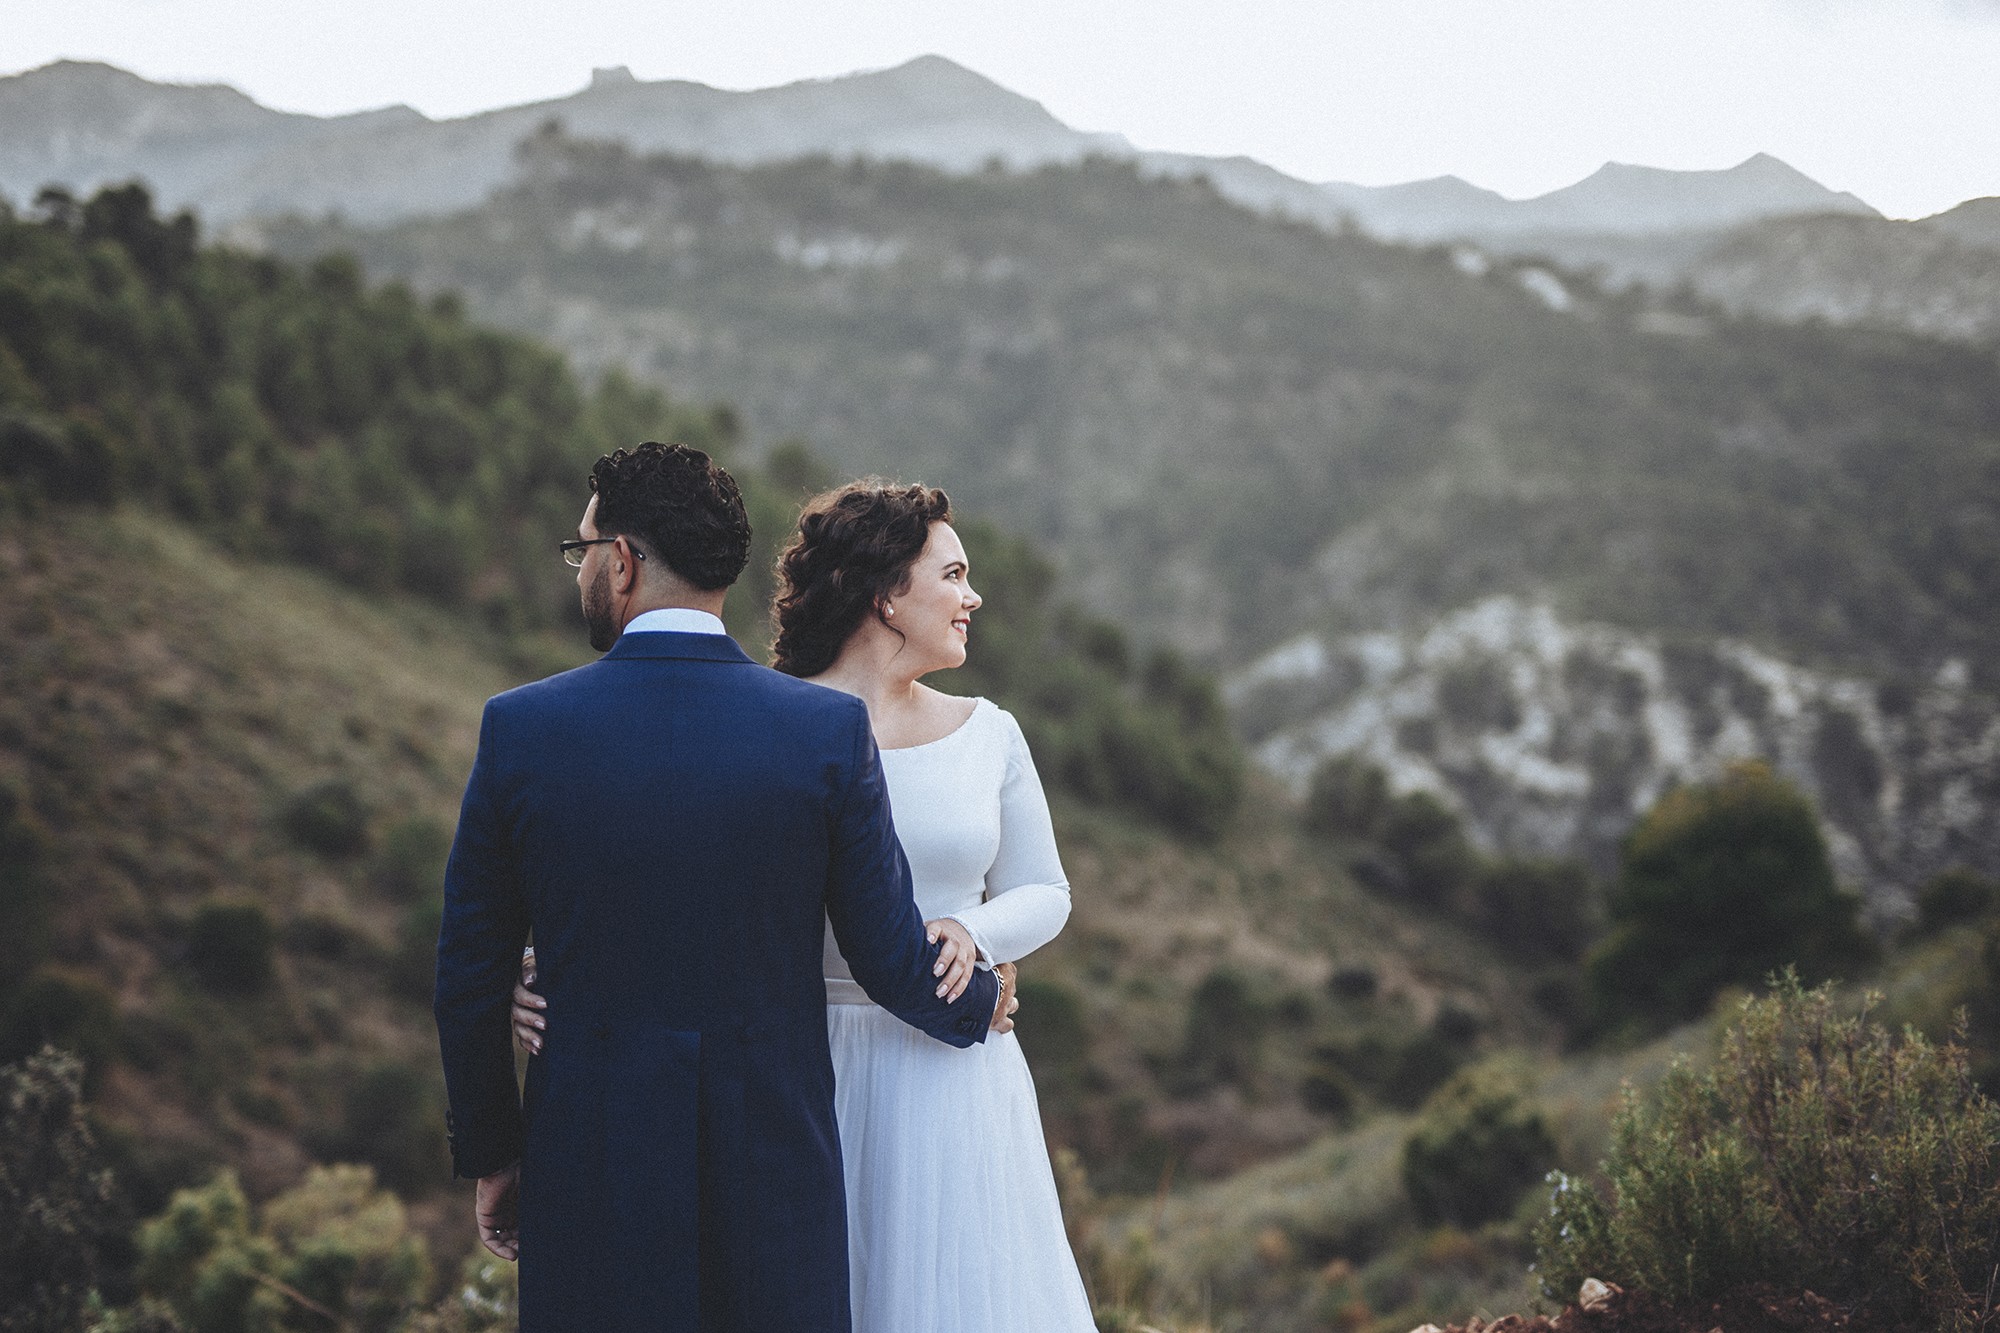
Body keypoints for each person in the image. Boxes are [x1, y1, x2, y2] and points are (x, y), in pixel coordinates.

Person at [432, 443, 1002, 1333]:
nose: (582, 569)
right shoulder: (822, 732)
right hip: (773, 1183)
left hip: (590, 1175)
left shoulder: (523, 729)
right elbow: (890, 958)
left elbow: (469, 973)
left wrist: (497, 1155)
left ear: (621, 561)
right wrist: (985, 1001)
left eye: (583, 551)